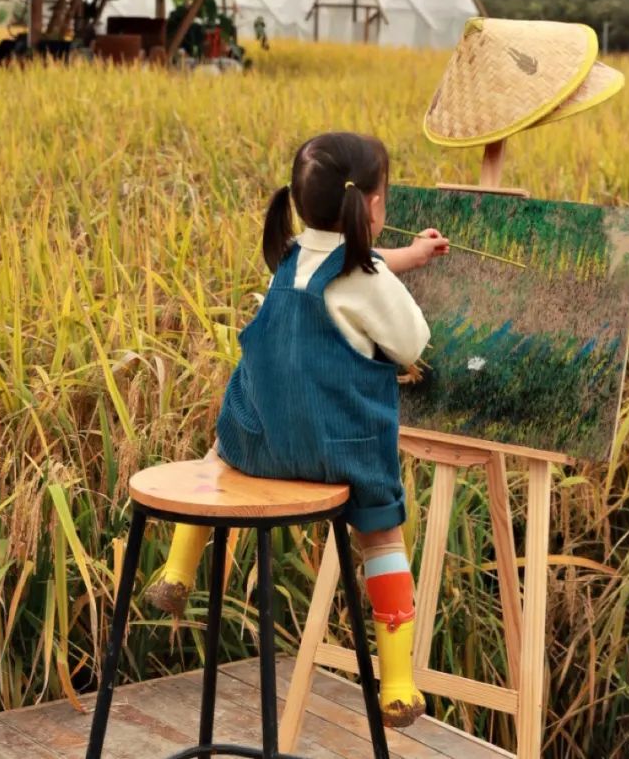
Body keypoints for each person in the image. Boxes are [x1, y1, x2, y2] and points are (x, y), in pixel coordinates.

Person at [148, 131, 448, 728]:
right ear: (371, 207)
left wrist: (401, 257)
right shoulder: (368, 281)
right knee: (383, 539)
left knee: (217, 454)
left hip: (257, 444)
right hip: (342, 453)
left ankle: (177, 572)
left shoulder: (288, 257)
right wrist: (398, 276)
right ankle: (396, 684)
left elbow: (343, 262)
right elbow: (412, 341)